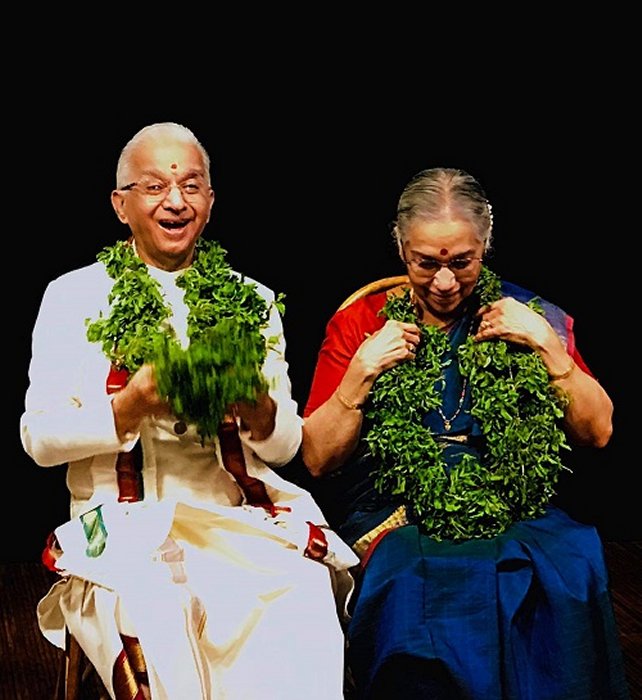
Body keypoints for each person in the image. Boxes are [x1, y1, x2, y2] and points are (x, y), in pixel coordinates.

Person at [20, 122, 357, 700]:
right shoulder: (73, 296)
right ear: (120, 205)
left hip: (233, 515)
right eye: (154, 186)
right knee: (159, 604)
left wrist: (255, 404)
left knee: (300, 590)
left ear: (210, 202)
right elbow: (39, 439)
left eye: (191, 186)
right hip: (122, 523)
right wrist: (128, 407)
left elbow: (284, 449)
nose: (175, 201)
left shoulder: (250, 301)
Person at [300, 167, 630, 699]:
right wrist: (361, 371)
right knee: (414, 575)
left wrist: (549, 348)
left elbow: (599, 431)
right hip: (397, 506)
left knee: (570, 560)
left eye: (462, 262)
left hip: (514, 501)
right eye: (426, 263)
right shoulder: (362, 321)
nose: (444, 282)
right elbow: (318, 457)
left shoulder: (529, 314)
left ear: (486, 245)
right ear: (401, 247)